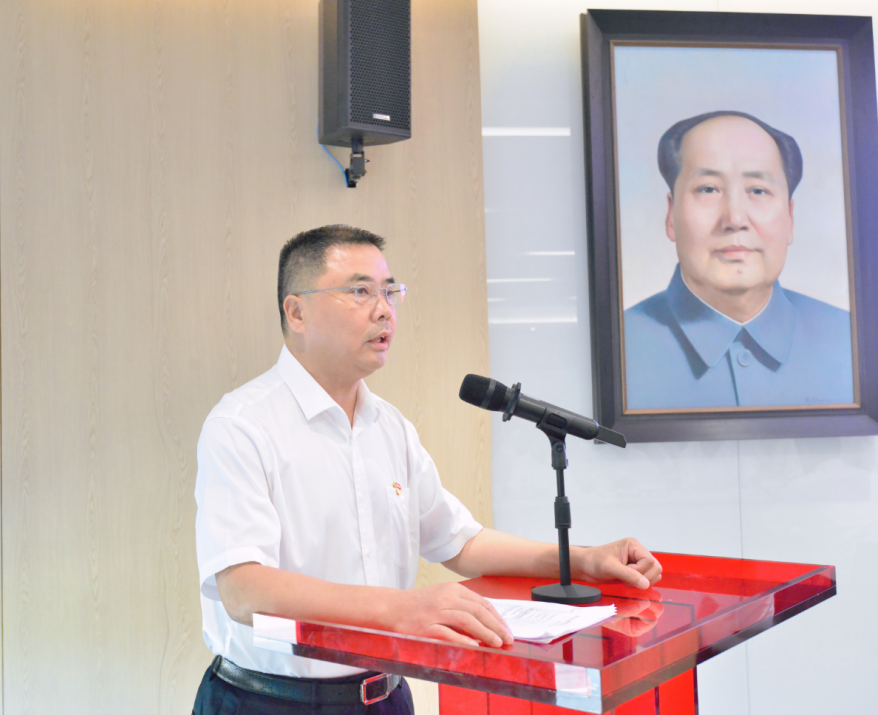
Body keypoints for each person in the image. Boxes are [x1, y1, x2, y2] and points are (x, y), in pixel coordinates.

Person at [193, 225, 662, 714]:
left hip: (387, 697)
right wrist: (404, 608)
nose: (384, 310)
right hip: (269, 701)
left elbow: (461, 543)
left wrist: (582, 561)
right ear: (297, 312)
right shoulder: (242, 425)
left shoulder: (389, 426)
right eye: (360, 292)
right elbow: (244, 590)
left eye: (389, 292)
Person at [624, 111, 854, 410]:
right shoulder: (619, 347)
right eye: (708, 189)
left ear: (790, 218)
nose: (734, 219)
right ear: (670, 216)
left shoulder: (854, 342)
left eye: (758, 190)